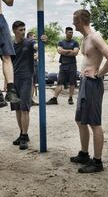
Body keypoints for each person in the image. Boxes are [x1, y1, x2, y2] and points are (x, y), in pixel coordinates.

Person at [70, 9, 108, 173]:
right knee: (80, 120)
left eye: (74, 20)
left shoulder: (95, 37)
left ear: (81, 21)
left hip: (92, 84)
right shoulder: (85, 38)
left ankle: (97, 162)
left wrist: (99, 73)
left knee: (94, 123)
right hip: (84, 82)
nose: (73, 23)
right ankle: (84, 154)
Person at [10, 21, 47, 150]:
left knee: (25, 108)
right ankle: (21, 134)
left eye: (24, 29)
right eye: (20, 30)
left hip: (26, 79)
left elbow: (37, 46)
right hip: (14, 80)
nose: (23, 31)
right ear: (14, 30)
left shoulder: (29, 42)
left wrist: (43, 41)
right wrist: (7, 82)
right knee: (17, 109)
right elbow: (8, 64)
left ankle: (25, 136)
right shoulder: (10, 45)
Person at [47, 27, 79, 105]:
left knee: (72, 83)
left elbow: (75, 53)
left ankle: (70, 98)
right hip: (63, 65)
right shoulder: (61, 42)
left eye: (72, 32)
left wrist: (64, 51)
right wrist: (69, 51)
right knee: (59, 82)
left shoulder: (75, 42)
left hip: (72, 65)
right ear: (65, 32)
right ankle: (54, 98)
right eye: (69, 32)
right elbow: (59, 51)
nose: (71, 34)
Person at [26, 32, 38, 105]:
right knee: (30, 83)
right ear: (30, 37)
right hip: (30, 66)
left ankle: (30, 99)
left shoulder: (33, 46)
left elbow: (36, 56)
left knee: (33, 83)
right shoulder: (29, 44)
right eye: (34, 36)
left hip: (34, 65)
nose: (35, 38)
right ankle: (29, 99)